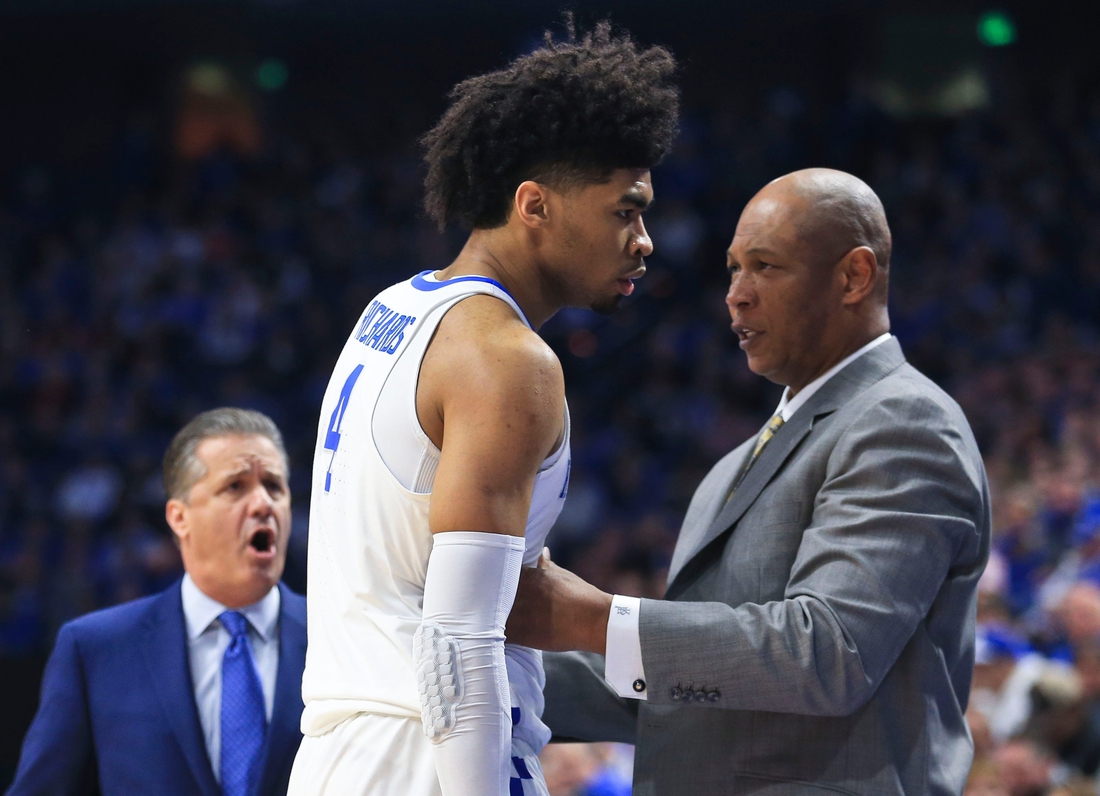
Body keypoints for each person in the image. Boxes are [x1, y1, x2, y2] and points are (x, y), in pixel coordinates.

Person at [286, 20, 679, 796]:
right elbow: (461, 636)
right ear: (535, 205)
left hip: (338, 753)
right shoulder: (508, 360)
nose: (645, 240)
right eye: (624, 211)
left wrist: (651, 642)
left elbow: (477, 581)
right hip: (425, 759)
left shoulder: (392, 308)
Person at [507, 168, 992, 795]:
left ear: (855, 276)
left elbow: (830, 654)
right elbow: (682, 684)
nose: (736, 294)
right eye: (733, 269)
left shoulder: (903, 422)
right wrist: (482, 664)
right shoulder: (732, 466)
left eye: (765, 266)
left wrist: (591, 617)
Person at [9, 408, 307, 796]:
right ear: (179, 517)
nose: (263, 504)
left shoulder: (343, 636)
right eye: (235, 487)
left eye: (274, 486)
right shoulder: (95, 649)